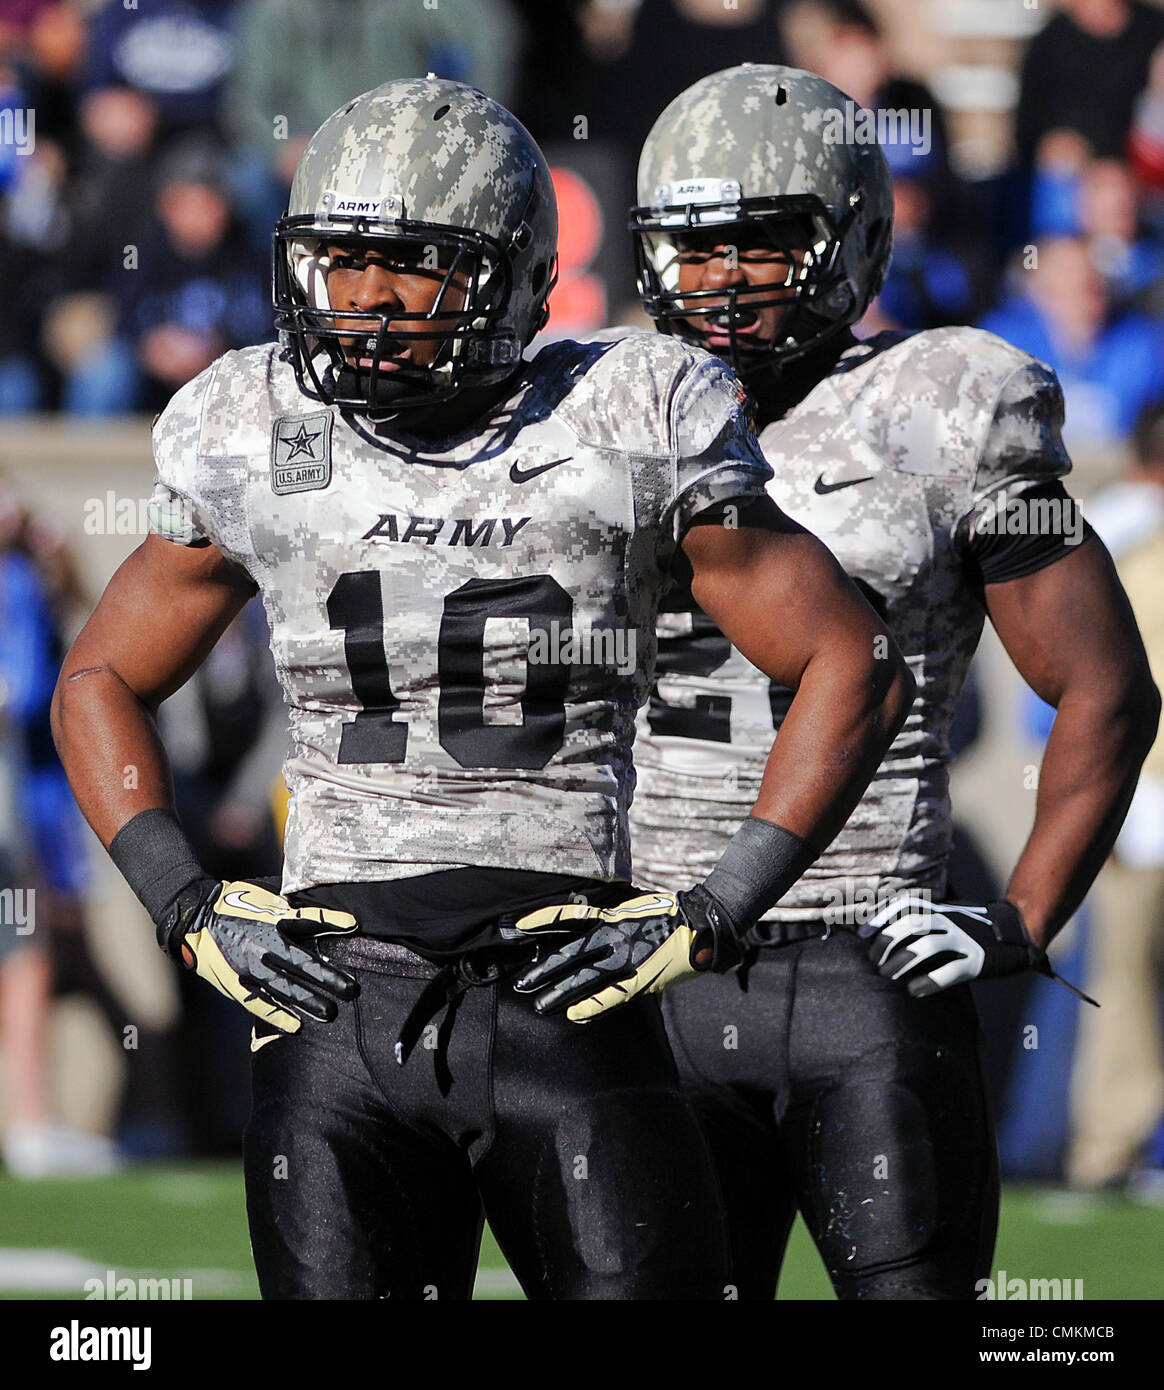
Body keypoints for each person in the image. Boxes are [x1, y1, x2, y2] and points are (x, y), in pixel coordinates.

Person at [51, 77, 913, 1300]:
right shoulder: (257, 427)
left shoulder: (626, 410)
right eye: (340, 262)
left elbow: (852, 661)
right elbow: (97, 677)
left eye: (410, 265)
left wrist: (715, 907)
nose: (365, 301)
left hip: (559, 991)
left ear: (512, 276)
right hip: (332, 1006)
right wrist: (183, 901)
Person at [624, 64, 1160, 1299]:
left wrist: (1019, 915)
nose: (722, 276)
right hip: (649, 958)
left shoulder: (945, 405)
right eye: (693, 246)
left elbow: (1106, 686)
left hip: (869, 960)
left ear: (852, 235)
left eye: (764, 241)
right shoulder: (603, 404)